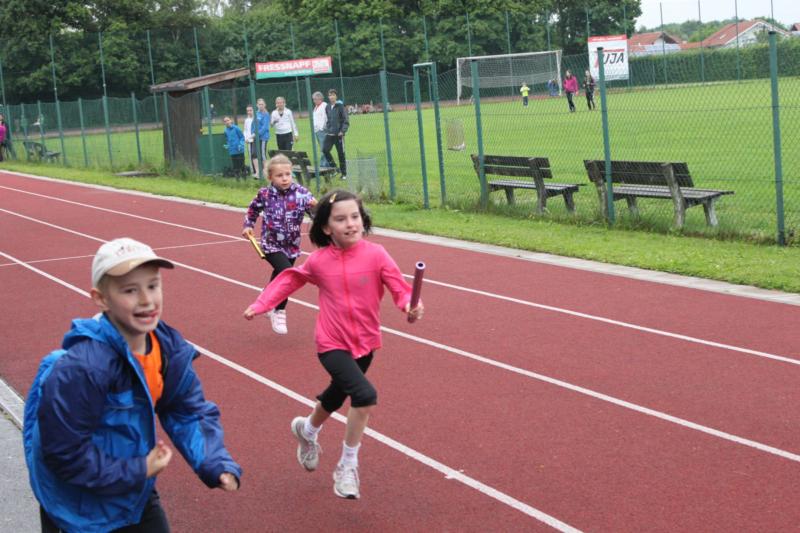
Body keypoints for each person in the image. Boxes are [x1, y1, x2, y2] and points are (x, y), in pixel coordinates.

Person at [24, 238, 242, 533]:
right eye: (130, 290)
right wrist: (140, 468)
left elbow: (185, 410)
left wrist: (214, 462)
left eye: (153, 285)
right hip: (78, 507)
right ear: (101, 299)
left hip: (133, 490)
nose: (147, 300)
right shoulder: (84, 368)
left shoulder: (166, 349)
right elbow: (65, 453)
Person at [243, 190, 424, 500]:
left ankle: (307, 430)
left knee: (336, 396)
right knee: (364, 396)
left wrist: (410, 305)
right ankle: (347, 465)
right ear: (326, 227)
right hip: (331, 343)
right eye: (341, 219)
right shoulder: (319, 261)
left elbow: (400, 289)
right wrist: (262, 304)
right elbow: (290, 279)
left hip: (366, 343)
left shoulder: (377, 255)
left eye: (355, 216)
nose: (351, 223)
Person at [242, 154, 317, 335]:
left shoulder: (302, 193)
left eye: (288, 174)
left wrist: (317, 207)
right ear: (270, 177)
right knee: (287, 274)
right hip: (271, 244)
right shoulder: (265, 194)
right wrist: (248, 225)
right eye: (279, 175)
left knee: (279, 276)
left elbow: (316, 214)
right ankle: (279, 310)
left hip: (292, 245)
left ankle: (267, 297)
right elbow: (253, 210)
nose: (284, 178)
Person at [322, 89, 349, 180]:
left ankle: (344, 174)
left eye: (333, 95)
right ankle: (335, 168)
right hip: (330, 134)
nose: (331, 97)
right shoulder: (327, 107)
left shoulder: (341, 106)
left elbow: (346, 120)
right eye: (330, 95)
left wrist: (342, 131)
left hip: (339, 135)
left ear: (336, 96)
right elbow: (328, 119)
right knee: (325, 150)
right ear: (328, 97)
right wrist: (328, 128)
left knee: (341, 154)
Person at [312, 91, 331, 168]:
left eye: (315, 99)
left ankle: (323, 164)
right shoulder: (316, 107)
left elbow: (326, 117)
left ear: (320, 99)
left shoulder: (324, 105)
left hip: (322, 130)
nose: (314, 101)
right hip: (317, 130)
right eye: (313, 99)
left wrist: (323, 127)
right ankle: (327, 164)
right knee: (323, 148)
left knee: (324, 148)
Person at [255, 98, 271, 174]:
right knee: (258, 153)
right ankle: (260, 170)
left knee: (263, 153)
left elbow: (265, 127)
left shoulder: (266, 114)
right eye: (259, 104)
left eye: (262, 104)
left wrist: (257, 134)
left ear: (265, 105)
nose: (261, 106)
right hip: (257, 137)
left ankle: (266, 170)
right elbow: (254, 124)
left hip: (263, 137)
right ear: (257, 105)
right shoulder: (256, 113)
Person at [243, 105, 258, 177]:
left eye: (250, 110)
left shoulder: (257, 118)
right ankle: (254, 171)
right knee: (251, 155)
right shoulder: (246, 120)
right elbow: (245, 130)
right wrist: (246, 138)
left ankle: (259, 170)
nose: (249, 112)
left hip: (256, 140)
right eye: (248, 111)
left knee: (257, 155)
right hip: (249, 140)